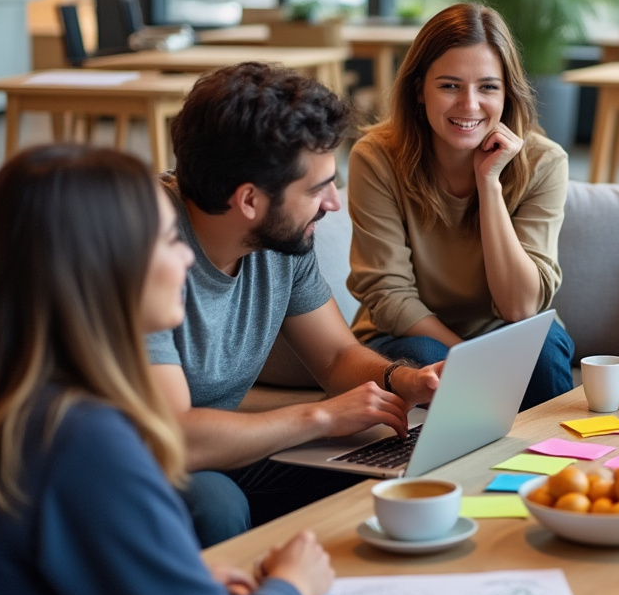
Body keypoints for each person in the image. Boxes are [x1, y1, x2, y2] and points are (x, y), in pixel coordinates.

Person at [0, 146, 334, 595]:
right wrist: (294, 584)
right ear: (105, 265)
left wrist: (176, 580)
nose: (187, 258)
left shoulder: (14, 404)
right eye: (168, 241)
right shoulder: (83, 438)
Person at [150, 62, 442, 547]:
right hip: (150, 461)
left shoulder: (280, 242)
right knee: (213, 504)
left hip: (231, 451)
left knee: (394, 463)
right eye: (316, 188)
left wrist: (403, 381)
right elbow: (174, 437)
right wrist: (320, 416)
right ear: (248, 200)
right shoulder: (148, 249)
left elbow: (335, 357)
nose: (333, 203)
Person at [347, 2, 573, 412]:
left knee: (541, 346)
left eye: (488, 87)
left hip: (508, 330)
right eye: (450, 86)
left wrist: (489, 183)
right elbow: (390, 296)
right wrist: (470, 358)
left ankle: (550, 472)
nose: (469, 106)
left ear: (508, 92)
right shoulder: (376, 158)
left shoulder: (545, 162)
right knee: (423, 357)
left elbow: (521, 308)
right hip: (407, 334)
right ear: (419, 89)